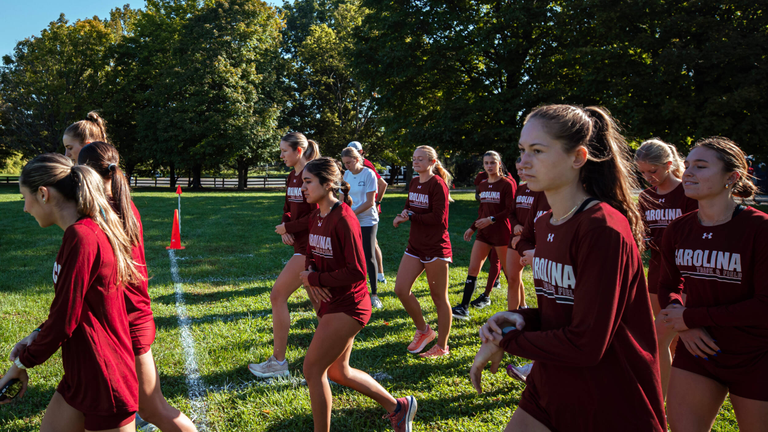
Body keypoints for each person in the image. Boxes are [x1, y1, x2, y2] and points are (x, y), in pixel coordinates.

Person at [470, 105, 666, 431]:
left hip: (609, 400)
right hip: (552, 384)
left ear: (578, 158)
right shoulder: (546, 221)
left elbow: (586, 343)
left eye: (537, 151)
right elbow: (565, 310)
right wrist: (518, 319)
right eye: (522, 150)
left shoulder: (602, 228)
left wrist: (507, 340)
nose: (523, 162)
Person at [1, 153, 141, 432]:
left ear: (43, 194)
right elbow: (71, 307)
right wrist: (35, 335)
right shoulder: (78, 233)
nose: (25, 208)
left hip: (105, 379)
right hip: (82, 374)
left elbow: (65, 319)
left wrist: (23, 362)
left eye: (24, 198)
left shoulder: (83, 236)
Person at [78, 142, 197, 432]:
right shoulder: (120, 203)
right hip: (126, 318)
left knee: (153, 409)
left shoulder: (103, 212)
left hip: (128, 320)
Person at [657, 137, 768, 431]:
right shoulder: (678, 229)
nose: (688, 173)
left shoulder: (760, 229)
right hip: (699, 349)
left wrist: (690, 317)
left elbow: (764, 305)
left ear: (732, 177)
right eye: (687, 165)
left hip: (756, 354)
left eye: (701, 166)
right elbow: (668, 286)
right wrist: (686, 326)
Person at [298, 157, 417, 432]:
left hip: (350, 305)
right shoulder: (316, 215)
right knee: (339, 372)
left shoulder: (344, 218)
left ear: (327, 184)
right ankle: (398, 408)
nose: (302, 187)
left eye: (308, 182)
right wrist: (310, 273)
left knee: (312, 370)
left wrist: (315, 279)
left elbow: (358, 271)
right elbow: (311, 254)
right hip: (331, 303)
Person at [249, 132, 320, 378]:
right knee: (320, 305)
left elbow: (316, 215)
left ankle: (279, 362)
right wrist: (285, 226)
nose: (281, 156)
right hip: (300, 244)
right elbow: (288, 208)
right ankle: (333, 354)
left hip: (311, 247)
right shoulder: (292, 176)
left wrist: (289, 227)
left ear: (298, 151)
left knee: (277, 295)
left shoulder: (311, 175)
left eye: (284, 151)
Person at [635, 138, 697, 398]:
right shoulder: (646, 196)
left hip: (684, 275)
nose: (648, 177)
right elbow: (642, 231)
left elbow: (694, 233)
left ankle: (677, 392)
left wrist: (661, 241)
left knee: (676, 335)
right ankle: (666, 391)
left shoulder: (687, 192)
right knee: (662, 335)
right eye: (643, 172)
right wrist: (642, 239)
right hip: (658, 272)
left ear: (669, 164)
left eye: (653, 171)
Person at [392, 145, 453, 358]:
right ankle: (424, 330)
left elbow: (439, 219)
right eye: (414, 158)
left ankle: (442, 346)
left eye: (420, 159)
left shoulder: (438, 185)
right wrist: (403, 215)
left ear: (432, 162)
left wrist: (411, 217)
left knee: (439, 298)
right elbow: (410, 206)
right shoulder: (414, 182)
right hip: (415, 245)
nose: (416, 162)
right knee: (401, 289)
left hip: (436, 248)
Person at [452, 151, 516, 320]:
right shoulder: (483, 184)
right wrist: (473, 227)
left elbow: (510, 209)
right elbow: (482, 212)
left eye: (492, 162)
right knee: (473, 269)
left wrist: (492, 219)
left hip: (502, 233)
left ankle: (519, 309)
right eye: (486, 163)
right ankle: (463, 308)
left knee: (511, 275)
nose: (489, 166)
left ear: (499, 163)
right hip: (484, 234)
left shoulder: (507, 184)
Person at [341, 147, 382, 308]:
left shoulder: (369, 174)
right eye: (344, 163)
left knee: (368, 255)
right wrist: (342, 212)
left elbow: (370, 202)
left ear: (357, 159)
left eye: (349, 162)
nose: (347, 166)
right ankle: (354, 290)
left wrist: (351, 213)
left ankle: (374, 295)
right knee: (350, 255)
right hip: (350, 219)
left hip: (367, 220)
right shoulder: (346, 175)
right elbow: (342, 197)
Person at [347, 141, 388, 284]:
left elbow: (383, 183)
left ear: (360, 153)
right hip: (358, 210)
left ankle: (379, 275)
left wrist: (377, 203)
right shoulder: (350, 169)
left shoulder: (366, 166)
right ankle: (375, 275)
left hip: (366, 211)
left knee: (372, 244)